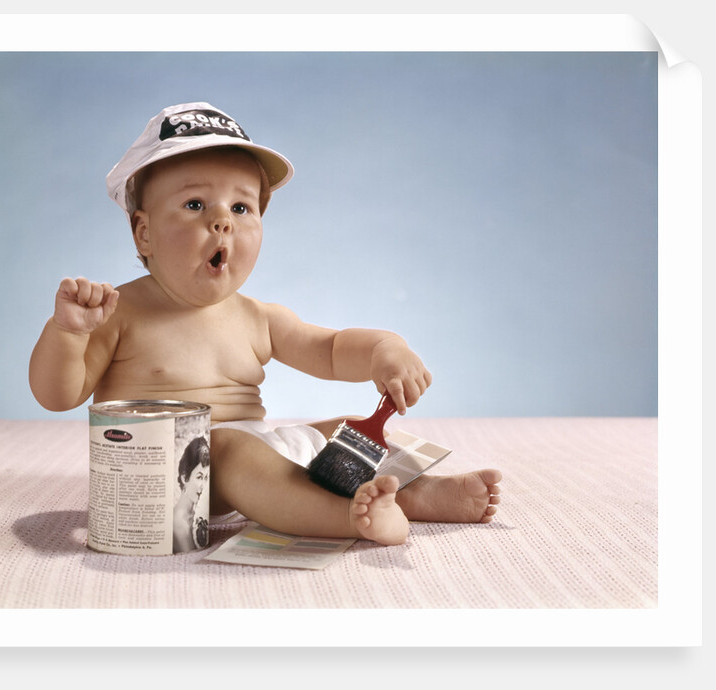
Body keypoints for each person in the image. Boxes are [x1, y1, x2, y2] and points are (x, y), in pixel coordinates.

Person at [29, 101, 501, 546]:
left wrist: (385, 350)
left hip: (259, 458)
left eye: (241, 208)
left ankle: (417, 494)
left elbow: (332, 349)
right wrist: (68, 332)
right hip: (171, 478)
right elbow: (58, 395)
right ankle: (345, 518)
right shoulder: (119, 310)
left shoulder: (256, 317)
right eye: (195, 205)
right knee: (232, 449)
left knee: (350, 429)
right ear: (144, 232)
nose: (222, 223)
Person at [172, 436, 211, 552]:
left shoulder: (196, 515)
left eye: (206, 478)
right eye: (199, 477)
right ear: (184, 478)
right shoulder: (178, 523)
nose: (203, 485)